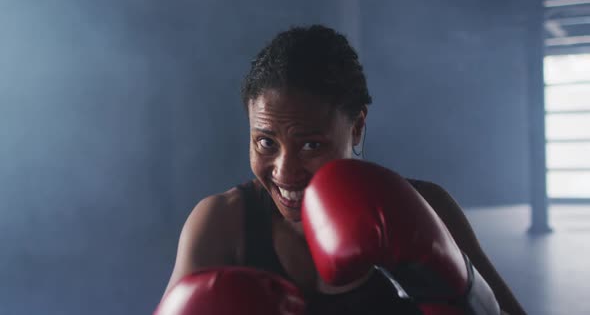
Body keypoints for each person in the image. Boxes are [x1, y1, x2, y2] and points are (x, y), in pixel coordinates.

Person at [160, 24, 526, 315]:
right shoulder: (221, 224)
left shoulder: (427, 206)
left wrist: (465, 294)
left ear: (356, 127)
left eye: (311, 145)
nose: (285, 172)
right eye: (266, 142)